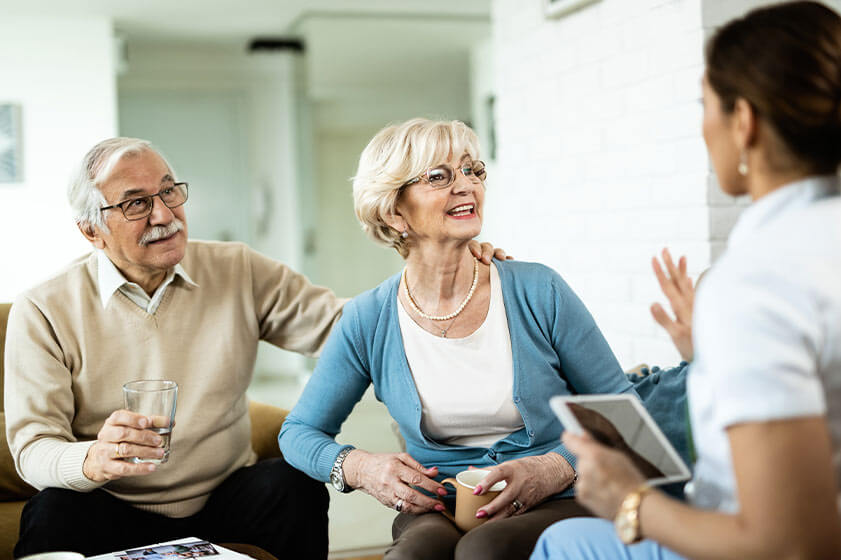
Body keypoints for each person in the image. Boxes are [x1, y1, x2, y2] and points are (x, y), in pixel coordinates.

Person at [3, 137, 502, 556]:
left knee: (293, 484)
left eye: (169, 191)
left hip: (224, 497)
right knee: (53, 509)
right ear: (91, 230)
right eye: (136, 203)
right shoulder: (45, 308)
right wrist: (93, 459)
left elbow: (347, 325)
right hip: (110, 504)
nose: (165, 214)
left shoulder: (235, 268)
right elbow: (32, 447)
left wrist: (451, 275)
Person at [278, 118, 685, 560]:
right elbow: (298, 432)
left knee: (485, 550)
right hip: (441, 501)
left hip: (559, 494)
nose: (466, 185)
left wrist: (556, 467)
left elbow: (624, 412)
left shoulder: (538, 290)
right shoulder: (368, 319)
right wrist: (359, 467)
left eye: (472, 170)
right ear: (394, 212)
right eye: (439, 176)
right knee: (415, 556)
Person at [531, 2, 841, 558]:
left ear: (743, 121)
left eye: (705, 106)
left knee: (561, 543)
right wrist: (712, 355)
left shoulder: (754, 282)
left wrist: (630, 501)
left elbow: (790, 543)